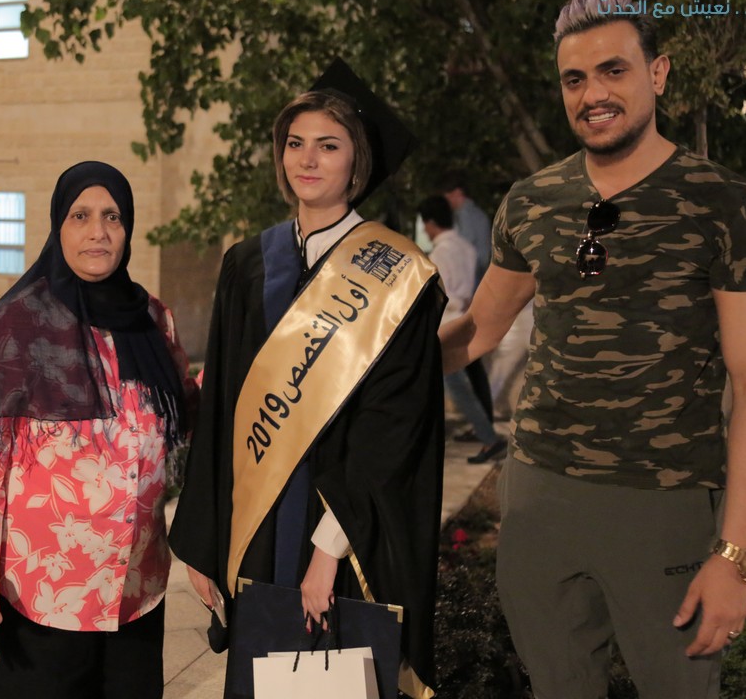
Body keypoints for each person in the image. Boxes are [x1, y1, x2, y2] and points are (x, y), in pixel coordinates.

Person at [440, 0, 746, 698]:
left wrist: (734, 554)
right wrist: (371, 359)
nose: (593, 94)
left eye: (613, 71)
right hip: (538, 495)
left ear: (657, 73)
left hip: (664, 502)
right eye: (575, 79)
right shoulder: (531, 201)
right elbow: (480, 330)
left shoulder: (728, 204)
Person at [169, 59, 445, 698]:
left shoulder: (396, 273)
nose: (308, 160)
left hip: (341, 532)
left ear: (358, 161)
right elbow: (222, 410)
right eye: (295, 143)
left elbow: (392, 425)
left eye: (328, 145)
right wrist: (207, 542)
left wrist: (328, 549)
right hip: (257, 526)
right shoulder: (247, 265)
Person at [0, 161, 197, 699]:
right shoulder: (12, 328)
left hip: (136, 594)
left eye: (112, 217)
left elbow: (185, 415)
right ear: (58, 225)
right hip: (38, 601)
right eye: (81, 216)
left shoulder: (153, 321)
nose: (98, 231)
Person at [419, 195, 503, 463]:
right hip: (468, 321)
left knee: (456, 388)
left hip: (446, 326)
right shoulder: (466, 247)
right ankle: (485, 434)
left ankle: (489, 438)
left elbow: (440, 296)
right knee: (474, 382)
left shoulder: (438, 255)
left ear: (430, 223)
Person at [437, 171, 492, 283]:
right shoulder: (476, 214)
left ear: (457, 193)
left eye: (446, 197)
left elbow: (463, 250)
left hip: (473, 278)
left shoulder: (466, 215)